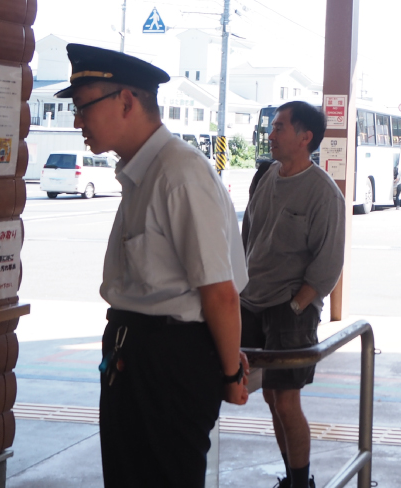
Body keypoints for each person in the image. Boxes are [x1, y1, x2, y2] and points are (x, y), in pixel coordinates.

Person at [58, 44, 250, 488]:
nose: (77, 121)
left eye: (84, 106)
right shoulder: (141, 173)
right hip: (135, 354)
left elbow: (220, 293)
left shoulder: (179, 173)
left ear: (126, 101)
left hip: (169, 364)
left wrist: (229, 374)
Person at [241, 101, 346, 488]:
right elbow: (248, 234)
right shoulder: (266, 177)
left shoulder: (324, 193)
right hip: (251, 301)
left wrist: (297, 304)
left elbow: (327, 265)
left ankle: (301, 483)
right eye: (272, 127)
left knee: (286, 400)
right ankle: (292, 476)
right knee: (270, 397)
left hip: (290, 310)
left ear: (305, 138)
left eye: (280, 127)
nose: (271, 134)